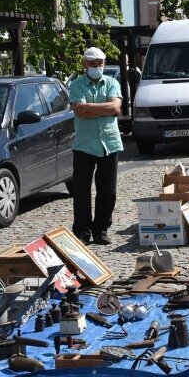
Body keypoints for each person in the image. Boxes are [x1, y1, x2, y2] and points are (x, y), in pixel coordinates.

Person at [69, 47, 123, 245]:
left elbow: (115, 107)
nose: (97, 67)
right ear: (84, 64)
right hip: (84, 145)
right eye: (92, 63)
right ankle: (82, 232)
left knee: (108, 191)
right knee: (82, 191)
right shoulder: (76, 85)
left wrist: (89, 109)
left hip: (109, 143)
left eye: (100, 63)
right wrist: (105, 110)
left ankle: (101, 230)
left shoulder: (112, 83)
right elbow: (79, 111)